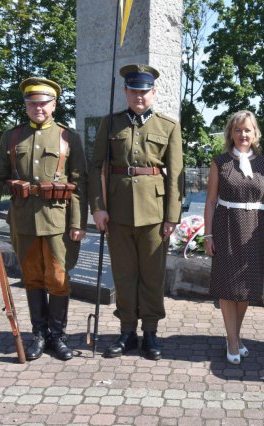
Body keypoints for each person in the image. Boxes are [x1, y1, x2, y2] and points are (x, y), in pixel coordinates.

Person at [0, 77, 88, 361]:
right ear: (26, 105)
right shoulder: (12, 137)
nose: (38, 108)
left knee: (58, 278)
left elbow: (80, 183)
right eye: (32, 103)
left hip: (58, 221)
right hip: (24, 221)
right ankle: (38, 334)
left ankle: (58, 335)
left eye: (43, 103)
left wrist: (78, 223)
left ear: (54, 105)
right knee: (32, 277)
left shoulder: (68, 137)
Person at [89, 64, 183, 360]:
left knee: (152, 276)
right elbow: (95, 168)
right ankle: (127, 332)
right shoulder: (111, 123)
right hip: (117, 211)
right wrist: (98, 208)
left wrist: (172, 216)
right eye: (134, 90)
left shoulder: (168, 126)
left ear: (153, 92)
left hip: (155, 213)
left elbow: (176, 173)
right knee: (125, 275)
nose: (139, 96)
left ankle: (151, 333)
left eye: (144, 91)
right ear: (126, 92)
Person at [203, 110, 264, 365]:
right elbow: (211, 201)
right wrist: (208, 234)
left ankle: (234, 335)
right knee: (227, 286)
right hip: (226, 227)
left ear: (255, 134)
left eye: (248, 130)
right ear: (230, 134)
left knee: (245, 288)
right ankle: (232, 340)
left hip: (254, 230)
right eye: (238, 130)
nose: (243, 134)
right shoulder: (220, 162)